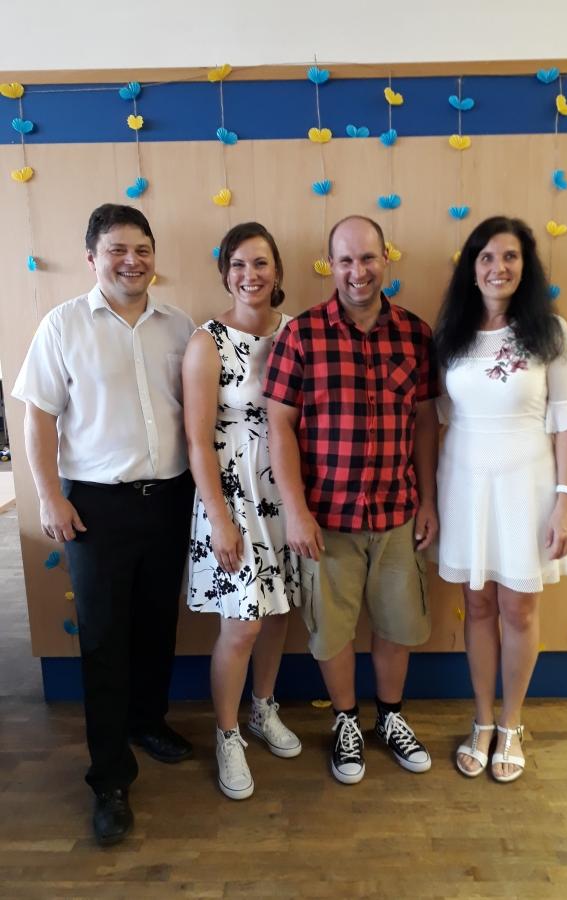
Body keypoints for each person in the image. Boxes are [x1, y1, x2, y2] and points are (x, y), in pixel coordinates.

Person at [12, 204, 196, 845]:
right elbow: (37, 417)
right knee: (104, 638)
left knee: (157, 624)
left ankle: (147, 720)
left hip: (169, 499)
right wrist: (48, 498)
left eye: (142, 248)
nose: (131, 260)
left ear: (154, 256)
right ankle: (110, 777)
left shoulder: (179, 326)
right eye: (117, 249)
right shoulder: (63, 325)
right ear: (92, 258)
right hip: (95, 506)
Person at [264, 215, 439, 785]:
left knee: (397, 624)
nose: (357, 271)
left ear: (385, 258)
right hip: (326, 519)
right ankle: (345, 721)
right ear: (330, 265)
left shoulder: (416, 335)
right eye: (345, 260)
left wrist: (429, 502)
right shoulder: (301, 335)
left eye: (367, 258)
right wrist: (296, 511)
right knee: (331, 632)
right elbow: (279, 426)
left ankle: (390, 717)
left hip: (397, 513)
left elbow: (424, 424)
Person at [434, 215, 567, 783]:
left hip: (528, 484)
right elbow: (441, 416)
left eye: (509, 257)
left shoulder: (551, 332)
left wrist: (566, 502)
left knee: (518, 609)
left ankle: (511, 723)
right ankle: (482, 720)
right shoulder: (451, 331)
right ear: (472, 268)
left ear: (525, 267)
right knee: (477, 605)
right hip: (464, 482)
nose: (497, 268)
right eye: (486, 257)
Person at [183, 222, 301, 801]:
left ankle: (263, 707)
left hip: (285, 489)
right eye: (237, 264)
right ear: (225, 273)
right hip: (231, 493)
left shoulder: (296, 332)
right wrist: (220, 520)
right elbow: (197, 441)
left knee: (277, 613)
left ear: (277, 271)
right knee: (243, 623)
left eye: (259, 263)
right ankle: (227, 733)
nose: (249, 275)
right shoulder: (206, 341)